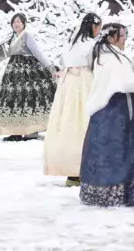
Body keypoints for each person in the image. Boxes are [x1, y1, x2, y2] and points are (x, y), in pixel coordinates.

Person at [79, 23, 134, 207]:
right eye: (122, 36)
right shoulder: (111, 59)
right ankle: (123, 189)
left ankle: (108, 189)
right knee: (122, 150)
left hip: (108, 110)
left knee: (110, 150)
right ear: (112, 38)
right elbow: (127, 82)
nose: (125, 40)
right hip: (118, 109)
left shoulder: (105, 56)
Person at [43, 13, 102, 186]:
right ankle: (86, 167)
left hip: (67, 85)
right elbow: (96, 64)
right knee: (84, 123)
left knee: (68, 124)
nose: (100, 31)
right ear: (93, 26)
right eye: (99, 27)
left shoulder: (71, 44)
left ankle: (69, 168)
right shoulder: (93, 45)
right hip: (84, 83)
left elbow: (63, 62)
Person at [0, 13, 56, 141]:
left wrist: (49, 67)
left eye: (19, 22)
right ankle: (15, 131)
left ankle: (31, 131)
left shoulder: (27, 36)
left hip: (28, 72)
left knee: (29, 99)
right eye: (14, 22)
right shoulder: (14, 36)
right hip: (13, 72)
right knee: (13, 99)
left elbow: (37, 52)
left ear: (24, 23)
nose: (16, 24)